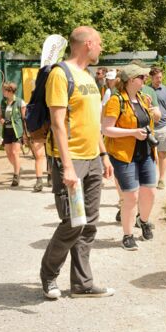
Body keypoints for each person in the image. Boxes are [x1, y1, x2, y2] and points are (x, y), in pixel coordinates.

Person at [39, 27, 115, 300]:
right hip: (69, 160)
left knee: (89, 224)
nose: (101, 48)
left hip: (93, 159)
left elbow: (93, 123)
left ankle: (82, 284)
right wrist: (68, 167)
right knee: (73, 222)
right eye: (100, 44)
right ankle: (48, 275)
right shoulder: (61, 74)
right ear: (89, 44)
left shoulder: (89, 77)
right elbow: (58, 123)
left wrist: (104, 154)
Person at [102, 63, 158, 251]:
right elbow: (106, 129)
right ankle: (127, 235)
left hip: (146, 153)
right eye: (142, 77)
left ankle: (143, 221)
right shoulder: (116, 101)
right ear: (132, 80)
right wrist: (132, 132)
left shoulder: (143, 99)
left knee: (149, 192)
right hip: (124, 155)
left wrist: (150, 111)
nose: (145, 80)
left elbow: (153, 120)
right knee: (131, 197)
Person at [149, 66, 166, 189]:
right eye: (156, 77)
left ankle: (161, 179)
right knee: (147, 155)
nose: (159, 79)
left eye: (160, 77)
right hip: (148, 128)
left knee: (162, 154)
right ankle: (149, 180)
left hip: (163, 127)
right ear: (151, 77)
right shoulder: (145, 90)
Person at [0, 82, 25, 187]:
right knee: (9, 154)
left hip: (17, 131)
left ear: (10, 91)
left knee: (14, 153)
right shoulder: (3, 102)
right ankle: (18, 167)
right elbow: (0, 116)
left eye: (4, 90)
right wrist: (0, 120)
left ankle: (16, 176)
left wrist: (26, 134)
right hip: (7, 131)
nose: (3, 92)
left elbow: (24, 118)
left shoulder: (20, 102)